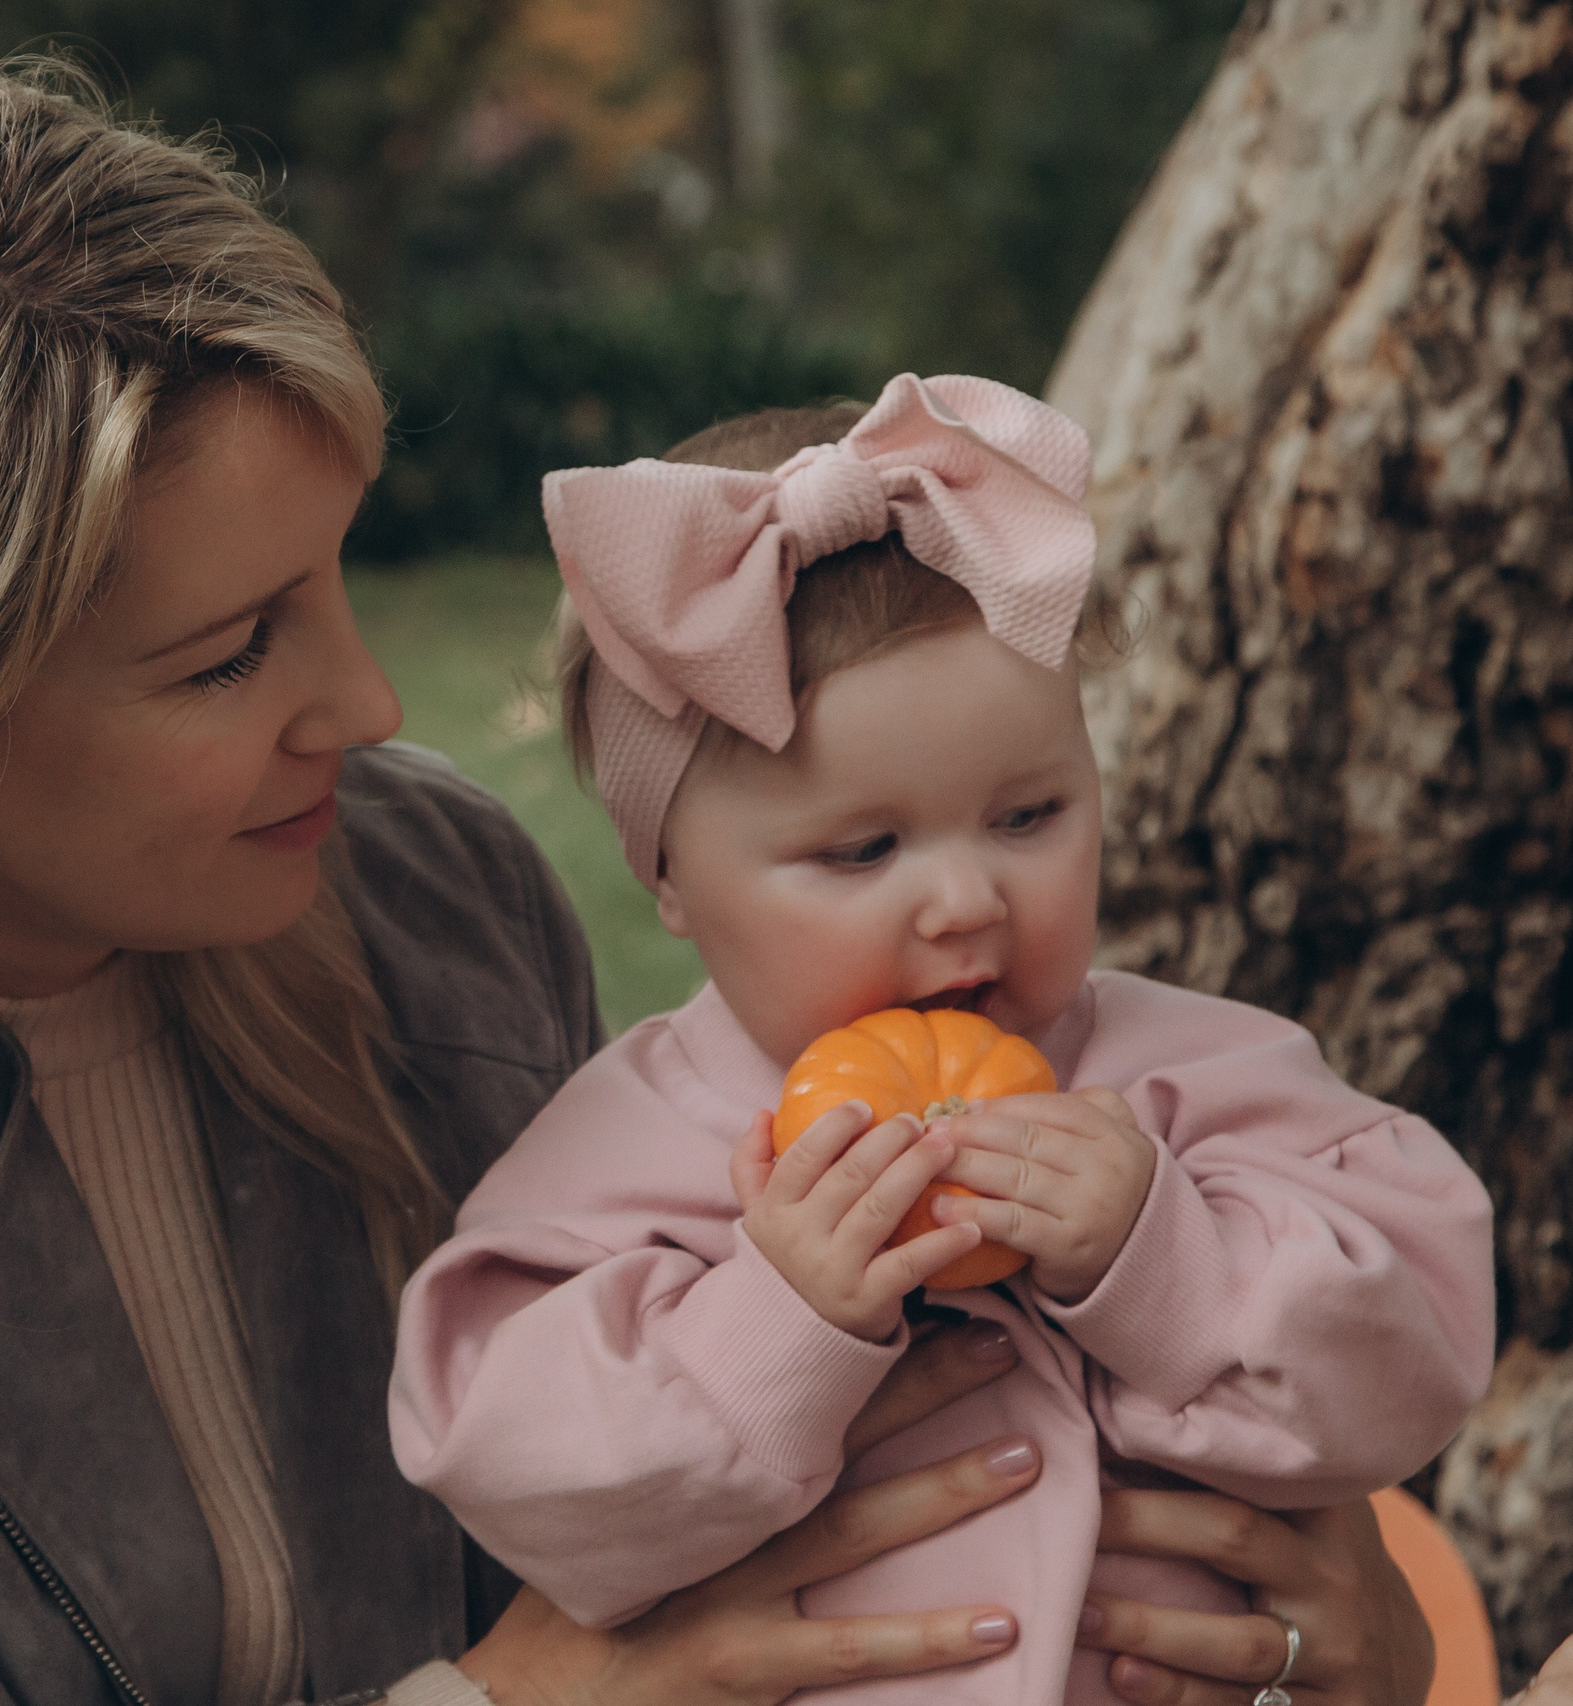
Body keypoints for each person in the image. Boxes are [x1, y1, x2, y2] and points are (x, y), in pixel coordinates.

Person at [0, 67, 1449, 1706]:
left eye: (336, 581)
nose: (371, 699)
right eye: (230, 652)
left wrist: (1339, 1610)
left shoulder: (404, 897)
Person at [389, 378, 1497, 1704]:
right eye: (863, 849)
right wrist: (770, 1323)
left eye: (1029, 815)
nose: (969, 899)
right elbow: (527, 1480)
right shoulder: (627, 1151)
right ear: (670, 877)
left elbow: (1412, 1367)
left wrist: (1172, 1257)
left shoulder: (1200, 1081)